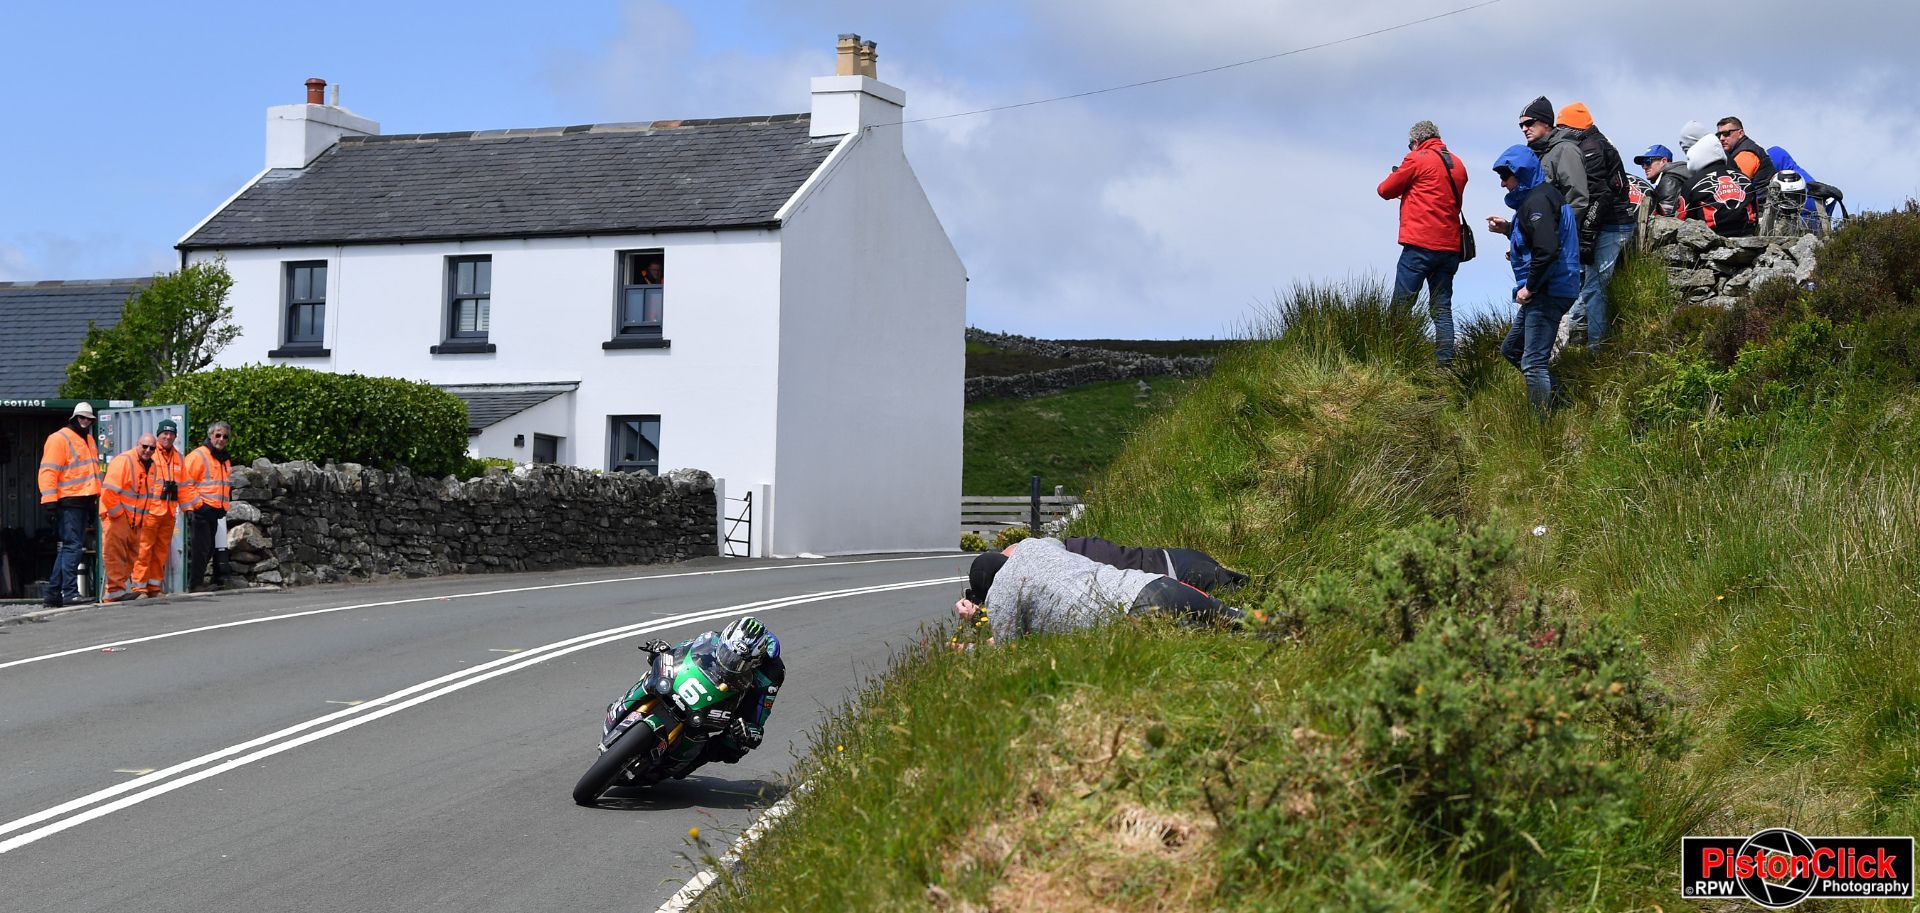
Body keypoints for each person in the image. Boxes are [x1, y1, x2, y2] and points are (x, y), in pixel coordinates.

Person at [953, 537, 1242, 644]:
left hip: (1133, 618)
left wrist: (969, 641)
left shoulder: (1000, 595)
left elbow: (1008, 648)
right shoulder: (1036, 546)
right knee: (1248, 624)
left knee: (1219, 644)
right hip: (1156, 584)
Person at [1486, 145, 1580, 417]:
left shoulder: (1537, 201)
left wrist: (1530, 287)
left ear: (1521, 173)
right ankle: (1563, 400)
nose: (1503, 183)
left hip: (1549, 289)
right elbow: (1539, 239)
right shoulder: (1539, 198)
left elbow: (1547, 249)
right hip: (1552, 286)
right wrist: (1509, 230)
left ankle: (1542, 426)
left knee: (1533, 363)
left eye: (1505, 176)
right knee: (1512, 349)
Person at [1376, 120, 1470, 365]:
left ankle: (1395, 358)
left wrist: (1400, 176)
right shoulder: (1458, 164)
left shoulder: (1416, 159)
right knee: (1442, 307)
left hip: (1420, 244)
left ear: (1416, 142)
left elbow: (1385, 190)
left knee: (1402, 305)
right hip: (1450, 247)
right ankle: (1445, 363)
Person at [638, 616, 784, 772]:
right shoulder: (720, 638)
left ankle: (687, 763)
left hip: (737, 700)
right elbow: (687, 651)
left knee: (735, 747)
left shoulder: (771, 674)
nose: (729, 661)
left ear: (756, 661)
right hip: (706, 682)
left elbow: (760, 713)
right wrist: (665, 651)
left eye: (738, 662)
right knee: (656, 676)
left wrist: (750, 731)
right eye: (727, 653)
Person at [1554, 103, 1636, 353]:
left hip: (1612, 224)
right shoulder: (1594, 142)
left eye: (1562, 126)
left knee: (1594, 286)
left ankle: (1596, 347)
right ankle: (1578, 336)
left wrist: (1587, 234)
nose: (1558, 132)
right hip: (1610, 223)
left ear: (1572, 127)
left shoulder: (1591, 149)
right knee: (1591, 283)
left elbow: (1600, 195)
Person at [38, 402, 101, 608]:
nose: (85, 421)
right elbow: (48, 471)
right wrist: (50, 503)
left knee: (69, 547)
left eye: (89, 419)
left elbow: (90, 473)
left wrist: (93, 499)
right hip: (68, 502)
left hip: (82, 501)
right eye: (82, 418)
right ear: (74, 418)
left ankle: (53, 594)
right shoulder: (59, 439)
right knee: (73, 547)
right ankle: (70, 593)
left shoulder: (89, 440)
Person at [1062, 536, 1249, 593]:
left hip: (1181, 574)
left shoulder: (1069, 562)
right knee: (1250, 590)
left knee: (1247, 608)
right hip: (1178, 559)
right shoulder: (1071, 545)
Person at [100, 433, 161, 603]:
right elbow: (109, 492)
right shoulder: (123, 461)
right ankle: (114, 592)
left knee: (132, 556)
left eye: (152, 448)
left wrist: (142, 519)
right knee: (115, 555)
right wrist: (118, 516)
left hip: (136, 520)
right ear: (137, 444)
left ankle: (118, 590)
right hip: (118, 517)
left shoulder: (152, 466)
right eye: (145, 446)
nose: (148, 450)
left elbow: (146, 496)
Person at [1518, 97, 1589, 231]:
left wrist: (1559, 233)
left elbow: (1577, 200)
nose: (1524, 129)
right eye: (1521, 125)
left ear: (1546, 122)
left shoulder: (1566, 150)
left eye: (1529, 123)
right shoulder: (1534, 154)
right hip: (1539, 233)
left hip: (1557, 235)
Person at [181, 421, 234, 590]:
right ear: (210, 436)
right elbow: (185, 482)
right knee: (201, 549)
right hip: (201, 510)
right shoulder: (198, 456)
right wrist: (198, 505)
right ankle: (195, 584)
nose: (221, 439)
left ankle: (198, 582)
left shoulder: (224, 458)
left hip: (214, 511)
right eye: (218, 435)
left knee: (209, 548)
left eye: (225, 436)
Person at [135, 419, 185, 598]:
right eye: (165, 433)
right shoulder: (150, 453)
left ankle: (154, 587)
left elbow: (184, 485)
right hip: (150, 511)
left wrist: (190, 508)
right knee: (144, 550)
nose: (168, 437)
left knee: (161, 551)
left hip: (169, 512)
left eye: (171, 434)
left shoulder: (179, 457)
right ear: (158, 435)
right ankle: (139, 588)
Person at [1681, 134, 1756, 237]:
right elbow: (1755, 207)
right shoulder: (1744, 177)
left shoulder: (1692, 183)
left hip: (1711, 238)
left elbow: (1680, 218)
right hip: (1747, 234)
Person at [1717, 116, 1776, 207]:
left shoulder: (1746, 153)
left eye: (1726, 133)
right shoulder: (1739, 150)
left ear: (1740, 133)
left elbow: (1734, 187)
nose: (1721, 138)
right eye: (1718, 135)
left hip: (1761, 208)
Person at [1633, 145, 1685, 217]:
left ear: (1663, 161)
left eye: (1648, 162)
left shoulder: (1669, 179)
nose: (1644, 167)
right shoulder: (1676, 176)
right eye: (1643, 164)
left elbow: (1667, 216)